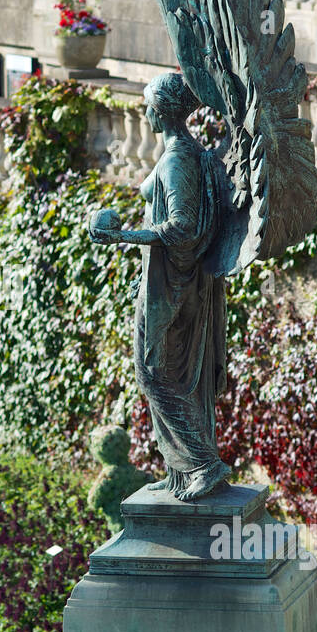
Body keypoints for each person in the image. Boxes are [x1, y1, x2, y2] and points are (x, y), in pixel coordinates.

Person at [89, 72, 230, 500]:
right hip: (174, 281)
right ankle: (181, 469)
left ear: (162, 111)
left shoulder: (177, 158)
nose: (144, 111)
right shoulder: (184, 152)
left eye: (148, 104)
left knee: (155, 375)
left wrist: (123, 236)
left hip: (172, 285)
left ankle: (204, 462)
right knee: (169, 375)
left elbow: (182, 227)